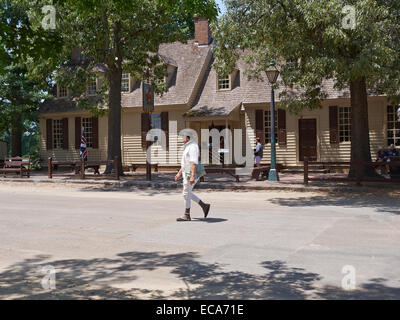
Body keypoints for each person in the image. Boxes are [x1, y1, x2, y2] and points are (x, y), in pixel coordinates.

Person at [175, 134, 210, 222]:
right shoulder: (187, 146)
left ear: (187, 138)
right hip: (186, 173)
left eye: (183, 137)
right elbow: (185, 162)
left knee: (186, 193)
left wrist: (192, 176)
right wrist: (179, 173)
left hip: (190, 174)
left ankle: (187, 215)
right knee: (187, 193)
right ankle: (204, 206)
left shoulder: (193, 147)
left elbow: (193, 162)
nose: (181, 139)